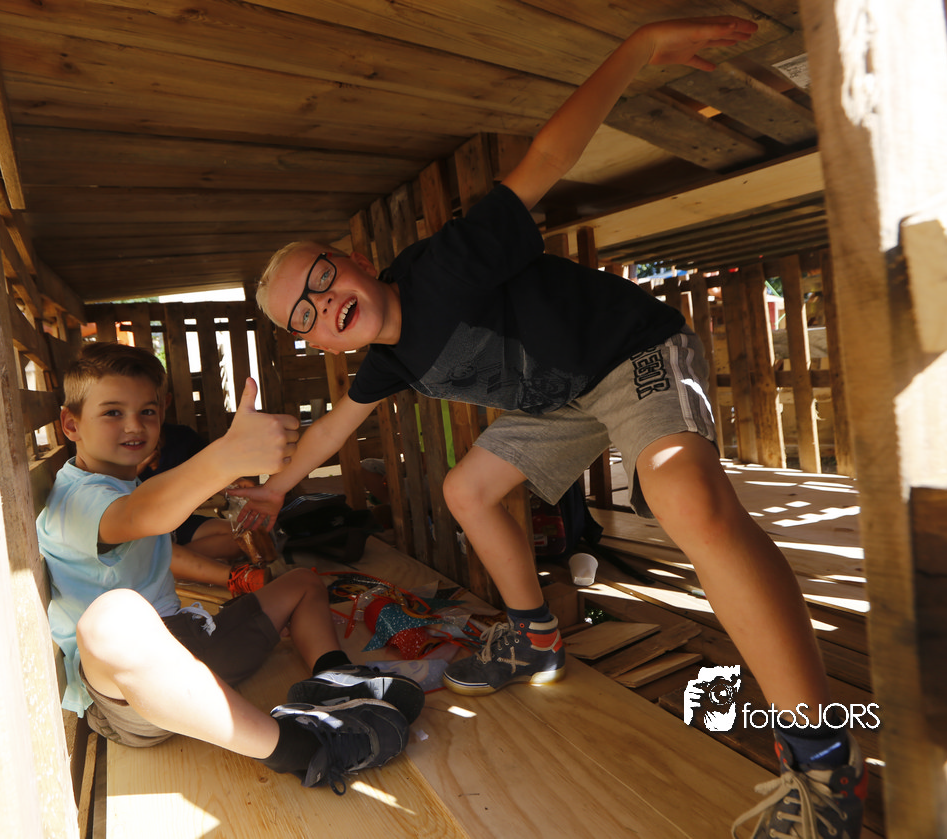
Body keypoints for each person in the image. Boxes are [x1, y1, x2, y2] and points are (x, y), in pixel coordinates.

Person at [232, 17, 866, 837]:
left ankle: (823, 761)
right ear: (318, 342)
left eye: (321, 278)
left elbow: (547, 158)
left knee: (682, 496)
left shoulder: (444, 266)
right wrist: (274, 493)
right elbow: (329, 432)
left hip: (630, 351)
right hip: (563, 401)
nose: (323, 304)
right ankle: (536, 638)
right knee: (467, 488)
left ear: (353, 259)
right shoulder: (387, 360)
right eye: (304, 315)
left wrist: (638, 50)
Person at [36, 342, 424, 794]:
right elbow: (141, 515)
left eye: (147, 412)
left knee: (301, 583)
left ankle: (333, 678)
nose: (134, 425)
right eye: (112, 413)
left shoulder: (128, 483)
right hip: (126, 696)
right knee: (110, 616)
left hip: (190, 646)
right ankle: (303, 748)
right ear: (70, 424)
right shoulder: (76, 499)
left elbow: (154, 532)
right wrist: (228, 455)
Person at [138, 422, 269, 597]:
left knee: (241, 537)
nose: (138, 422)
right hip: (142, 536)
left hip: (177, 524)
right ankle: (237, 578)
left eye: (149, 411)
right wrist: (134, 469)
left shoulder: (182, 437)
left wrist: (234, 484)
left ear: (164, 407)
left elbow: (210, 470)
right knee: (154, 553)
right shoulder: (115, 450)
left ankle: (177, 564)